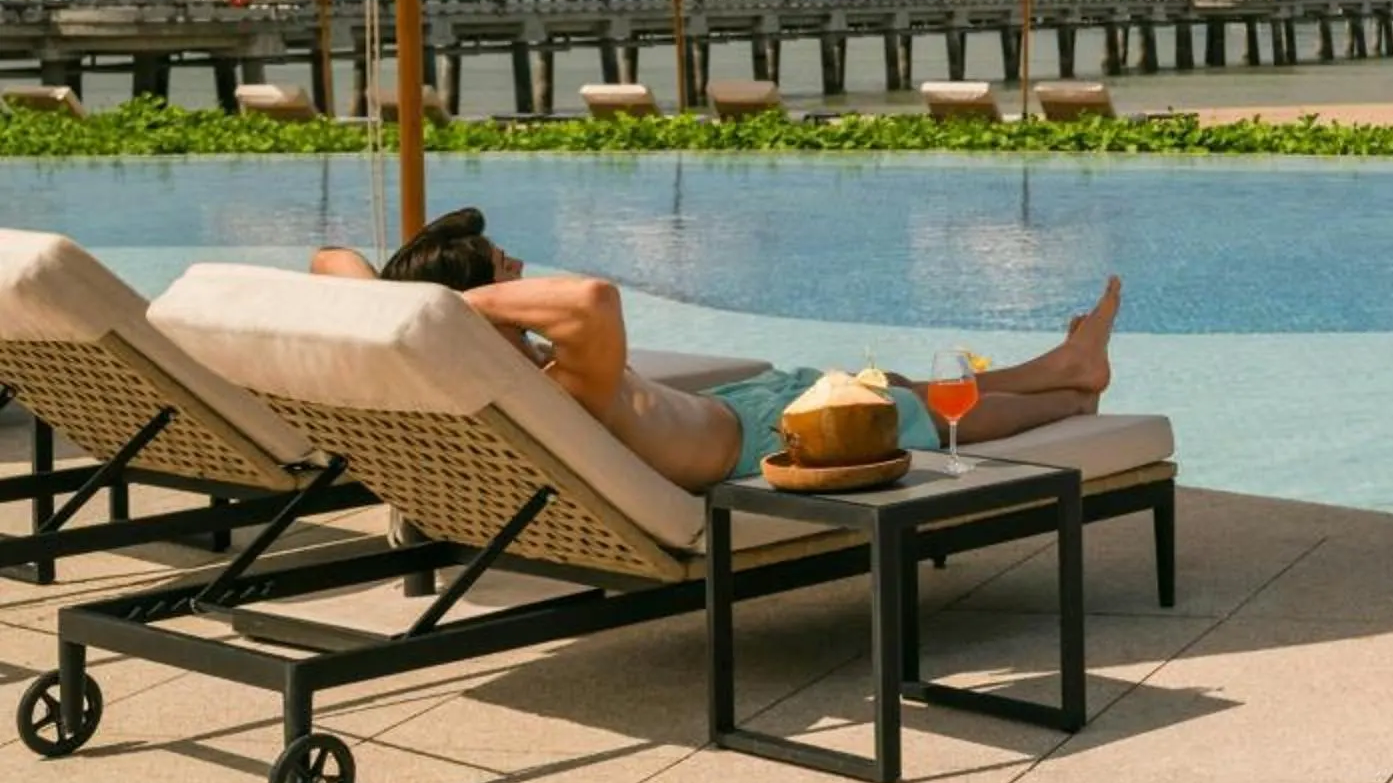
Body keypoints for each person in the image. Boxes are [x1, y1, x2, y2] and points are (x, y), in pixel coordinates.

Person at [320, 209, 1119, 493]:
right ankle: (1067, 397)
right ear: (479, 305)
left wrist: (422, 307)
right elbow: (593, 298)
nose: (521, 269)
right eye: (504, 270)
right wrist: (456, 305)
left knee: (896, 382)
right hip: (772, 441)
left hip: (748, 411)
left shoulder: (515, 376)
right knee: (942, 415)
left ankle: (1059, 368)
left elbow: (333, 260)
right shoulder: (565, 383)